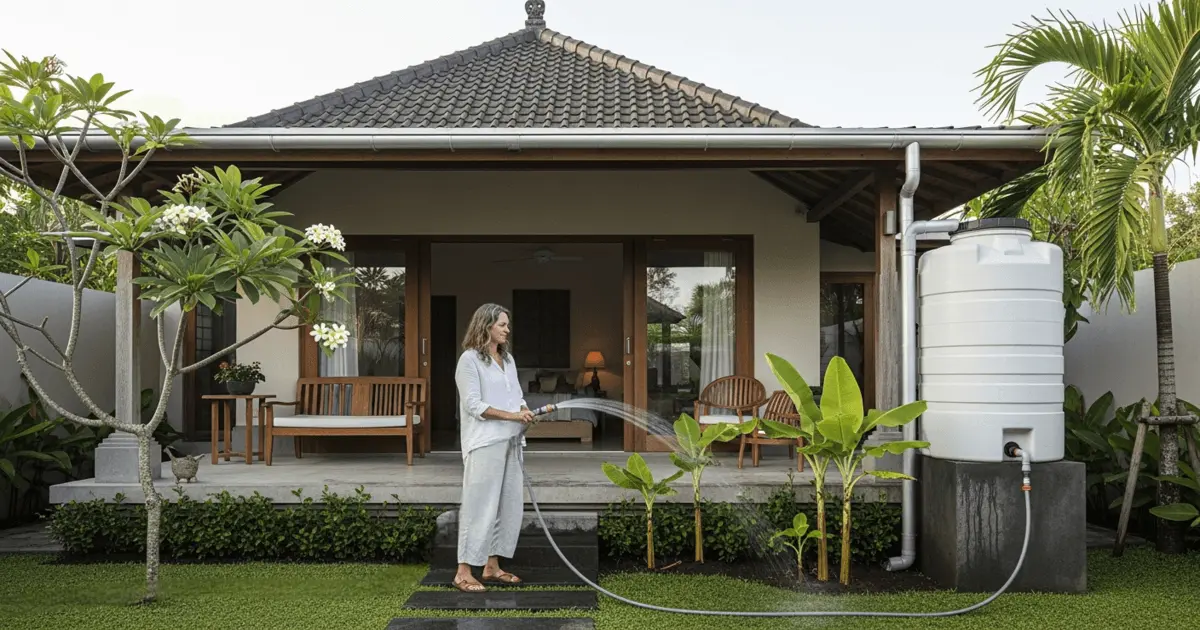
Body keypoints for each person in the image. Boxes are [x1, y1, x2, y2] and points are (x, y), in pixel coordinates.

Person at [453, 303, 535, 593]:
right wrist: (513, 415)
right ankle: (463, 571)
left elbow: (517, 396)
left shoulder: (507, 360)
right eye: (502, 324)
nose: (507, 330)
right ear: (486, 325)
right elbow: (473, 405)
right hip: (484, 443)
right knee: (480, 506)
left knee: (506, 506)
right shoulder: (469, 361)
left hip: (511, 441)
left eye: (507, 325)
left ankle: (491, 567)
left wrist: (524, 411)